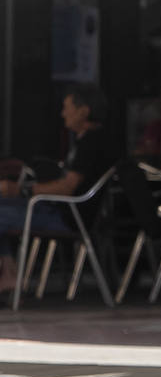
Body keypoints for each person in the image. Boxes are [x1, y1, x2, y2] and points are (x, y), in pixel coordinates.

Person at [0, 84, 118, 294]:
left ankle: (9, 274)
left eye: (67, 107)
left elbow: (67, 187)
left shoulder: (92, 142)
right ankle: (9, 271)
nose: (63, 113)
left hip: (69, 217)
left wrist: (23, 191)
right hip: (59, 210)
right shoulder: (84, 141)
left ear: (84, 110)